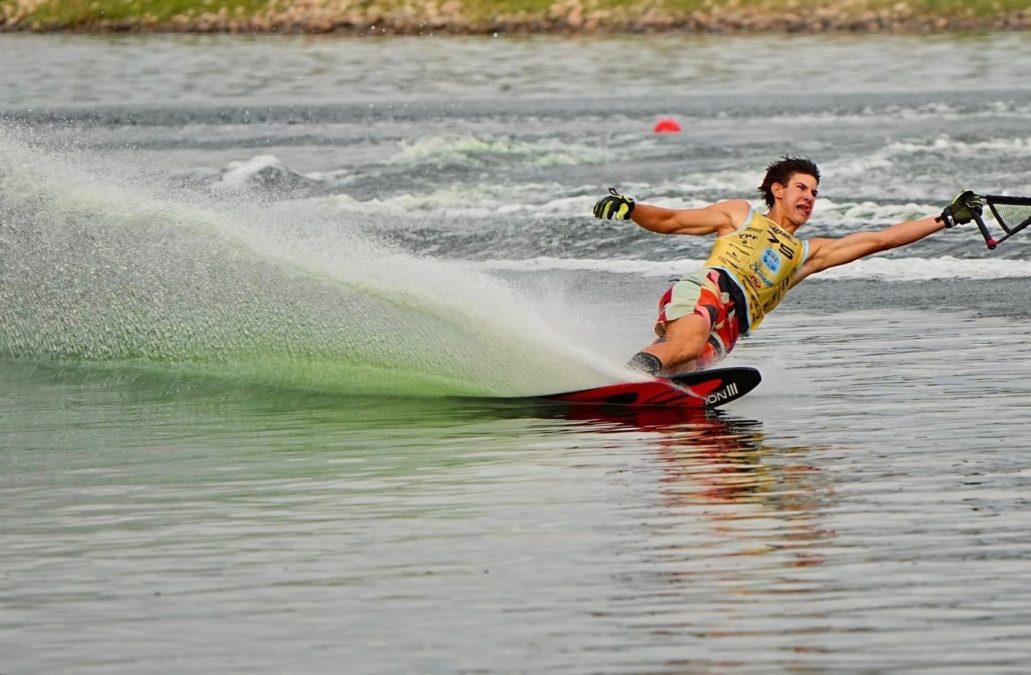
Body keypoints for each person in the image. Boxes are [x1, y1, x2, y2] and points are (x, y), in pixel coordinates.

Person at [593, 156, 983, 376]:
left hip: (733, 327)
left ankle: (629, 388)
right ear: (777, 190)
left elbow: (879, 240)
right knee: (686, 345)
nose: (810, 197)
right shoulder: (739, 215)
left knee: (688, 368)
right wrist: (632, 209)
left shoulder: (805, 255)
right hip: (709, 291)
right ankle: (614, 381)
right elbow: (673, 220)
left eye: (815, 192)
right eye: (802, 188)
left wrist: (946, 218)